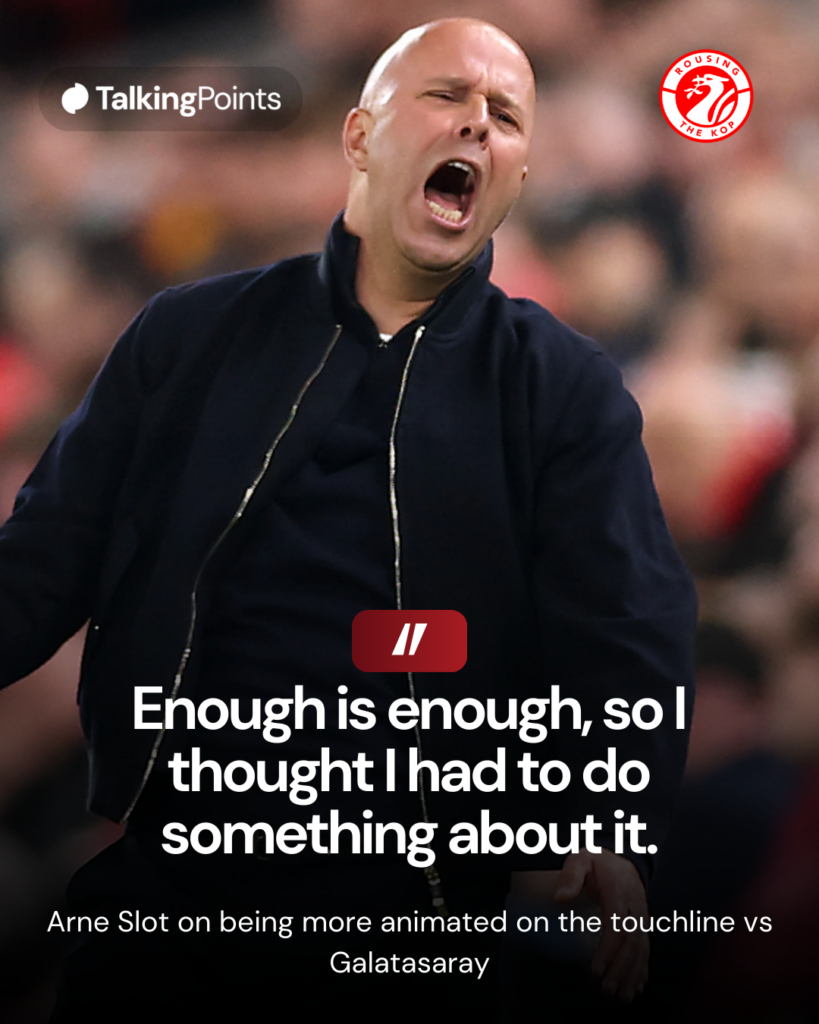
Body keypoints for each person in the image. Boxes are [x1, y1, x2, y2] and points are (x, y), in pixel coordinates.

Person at [1, 18, 696, 1020]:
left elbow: (628, 622)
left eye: (505, 117)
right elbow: (42, 562)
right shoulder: (187, 336)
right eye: (447, 97)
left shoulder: (562, 386)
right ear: (362, 137)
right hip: (181, 865)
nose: (478, 126)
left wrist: (609, 822)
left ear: (520, 180)